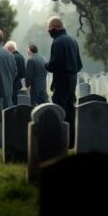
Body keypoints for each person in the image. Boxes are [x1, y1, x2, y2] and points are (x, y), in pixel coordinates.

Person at [44, 17, 83, 147]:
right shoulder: (73, 40)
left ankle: (62, 139)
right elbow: (79, 64)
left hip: (62, 81)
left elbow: (55, 64)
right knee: (70, 110)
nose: (48, 31)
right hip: (72, 80)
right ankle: (72, 140)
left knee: (59, 109)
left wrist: (46, 65)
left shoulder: (58, 42)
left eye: (49, 29)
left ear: (54, 27)